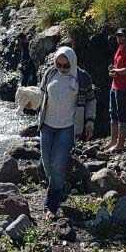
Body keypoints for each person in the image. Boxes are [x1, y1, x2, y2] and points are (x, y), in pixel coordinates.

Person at [36, 46, 97, 214]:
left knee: (57, 163)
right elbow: (41, 95)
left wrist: (89, 122)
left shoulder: (82, 78)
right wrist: (32, 105)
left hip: (68, 127)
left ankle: (51, 203)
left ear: (73, 62)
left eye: (65, 66)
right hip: (47, 125)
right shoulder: (50, 73)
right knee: (47, 163)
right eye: (59, 64)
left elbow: (91, 100)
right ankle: (60, 186)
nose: (62, 68)